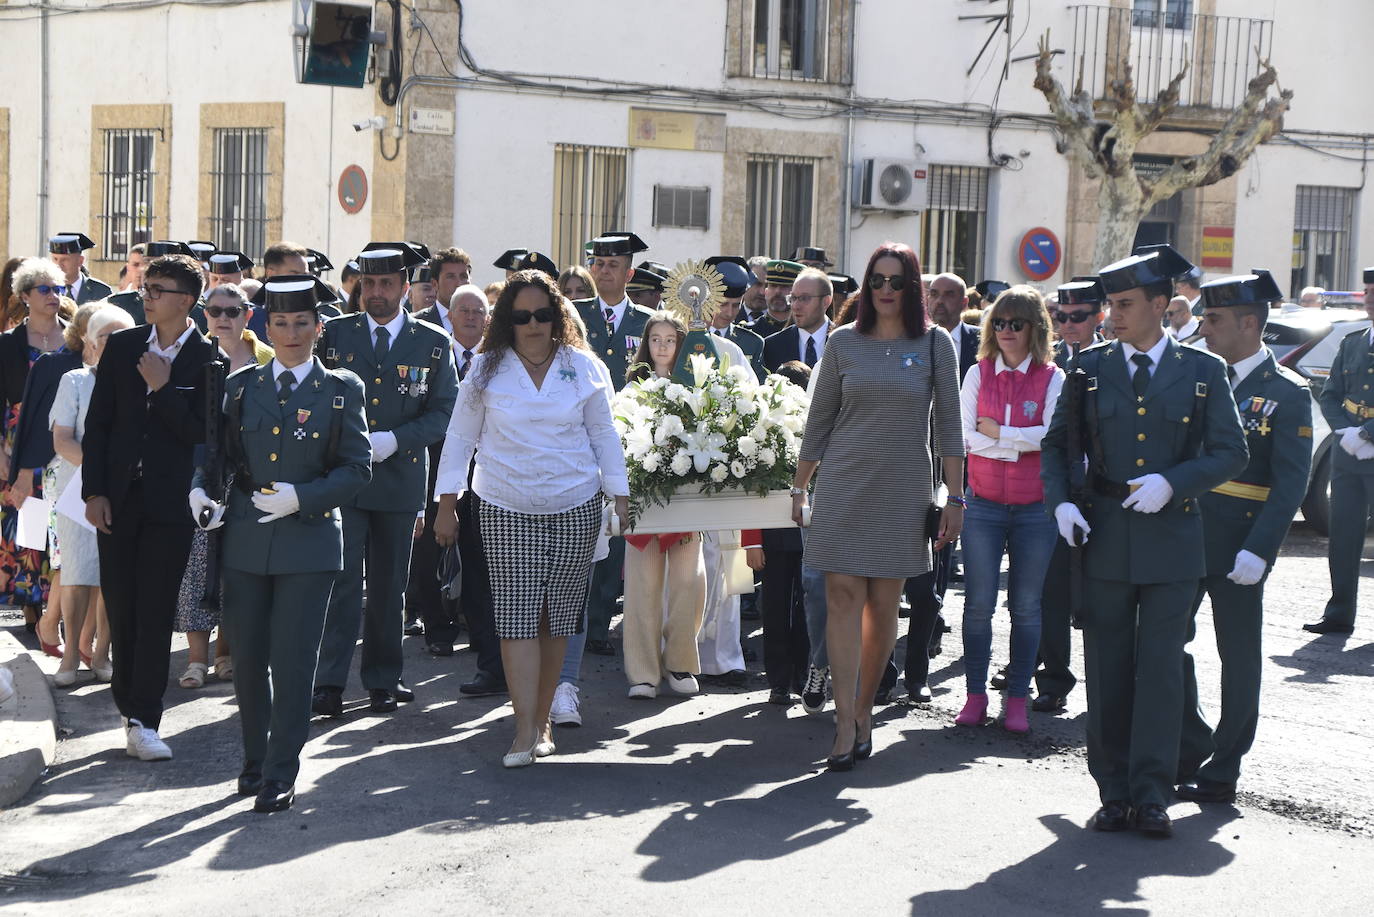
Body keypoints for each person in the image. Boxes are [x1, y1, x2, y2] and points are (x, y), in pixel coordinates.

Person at [1041, 244, 1247, 838]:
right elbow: (1059, 447)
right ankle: (1113, 788)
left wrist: (1174, 482)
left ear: (1163, 304)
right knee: (1106, 666)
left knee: (1160, 670)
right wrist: (1060, 503)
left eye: (1126, 304)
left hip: (1173, 539)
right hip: (1103, 534)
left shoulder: (1203, 372)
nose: (1112, 315)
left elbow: (1231, 451)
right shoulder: (1088, 368)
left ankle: (1153, 792)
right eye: (1110, 304)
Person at [190, 274, 371, 813]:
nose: (292, 333)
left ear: (318, 327)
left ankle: (280, 770)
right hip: (245, 536)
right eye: (282, 323)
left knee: (294, 662)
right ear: (267, 327)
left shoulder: (342, 390)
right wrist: (200, 490)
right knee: (247, 661)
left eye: (303, 323)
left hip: (308, 541)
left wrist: (304, 498)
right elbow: (215, 454)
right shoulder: (240, 387)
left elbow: (357, 469)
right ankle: (253, 758)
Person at [434, 269, 629, 767]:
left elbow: (605, 436)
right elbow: (459, 439)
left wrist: (620, 494)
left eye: (543, 314)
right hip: (504, 504)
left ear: (558, 315)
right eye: (522, 316)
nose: (534, 324)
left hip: (576, 503)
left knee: (557, 619)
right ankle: (524, 730)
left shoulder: (584, 368)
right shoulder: (484, 369)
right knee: (518, 618)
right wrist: (446, 504)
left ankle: (544, 721)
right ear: (507, 321)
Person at [792, 241, 964, 771]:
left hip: (903, 491)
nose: (886, 291)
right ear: (865, 288)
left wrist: (955, 498)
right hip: (843, 485)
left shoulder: (936, 345)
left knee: (883, 608)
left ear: (913, 289)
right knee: (841, 599)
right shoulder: (843, 342)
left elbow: (950, 430)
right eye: (877, 281)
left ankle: (865, 709)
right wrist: (799, 488)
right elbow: (819, 422)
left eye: (897, 282)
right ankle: (845, 722)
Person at [1174, 269, 1311, 805]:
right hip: (1184, 535)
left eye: (1214, 319)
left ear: (1249, 324)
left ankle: (1225, 763)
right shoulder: (1198, 378)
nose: (1203, 329)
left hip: (1238, 543)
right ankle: (1189, 742)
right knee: (1165, 644)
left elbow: (1291, 483)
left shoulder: (1287, 393)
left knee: (1239, 655)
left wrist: (1261, 548)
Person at [312, 242, 459, 716]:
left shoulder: (433, 341)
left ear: (404, 286)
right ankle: (329, 682)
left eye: (387, 284)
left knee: (390, 586)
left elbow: (444, 412)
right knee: (339, 581)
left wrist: (396, 439)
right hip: (342, 480)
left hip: (399, 480)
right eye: (368, 284)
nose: (376, 293)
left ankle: (383, 677)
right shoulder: (335, 335)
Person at [82, 253, 218, 762]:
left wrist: (163, 390)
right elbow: (99, 425)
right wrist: (94, 491)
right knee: (122, 607)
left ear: (185, 300)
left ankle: (144, 718)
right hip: (117, 499)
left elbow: (199, 435)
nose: (147, 297)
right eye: (145, 289)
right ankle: (129, 707)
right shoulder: (121, 347)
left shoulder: (208, 359)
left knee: (156, 610)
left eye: (157, 290)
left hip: (170, 504)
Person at [955, 286, 1064, 733]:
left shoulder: (1054, 377)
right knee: (978, 605)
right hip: (982, 506)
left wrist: (1000, 434)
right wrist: (1021, 440)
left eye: (1015, 323)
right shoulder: (978, 373)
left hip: (1036, 510)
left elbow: (1052, 437)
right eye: (998, 323)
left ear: (1035, 327)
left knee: (1026, 607)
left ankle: (1017, 697)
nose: (1005, 331)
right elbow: (965, 438)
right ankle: (976, 695)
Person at [174, 284, 271, 689]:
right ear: (204, 315)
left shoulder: (265, 358)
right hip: (202, 472)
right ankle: (195, 659)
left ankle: (225, 654)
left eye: (233, 311)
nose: (224, 318)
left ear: (247, 315)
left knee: (237, 567)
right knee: (198, 566)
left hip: (248, 476)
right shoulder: (193, 357)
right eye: (215, 311)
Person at [573, 232, 656, 657]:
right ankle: (572, 619)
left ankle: (600, 623)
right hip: (575, 436)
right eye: (598, 264)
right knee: (577, 526)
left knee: (615, 527)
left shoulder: (647, 322)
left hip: (628, 437)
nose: (604, 271)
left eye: (612, 265)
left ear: (630, 272)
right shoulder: (573, 315)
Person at [620, 315, 709, 699]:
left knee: (689, 582)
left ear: (681, 344)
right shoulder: (632, 388)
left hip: (689, 496)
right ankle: (642, 671)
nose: (661, 346)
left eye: (670, 339)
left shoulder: (699, 386)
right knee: (642, 586)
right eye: (654, 339)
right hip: (645, 498)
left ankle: (681, 662)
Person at [1033, 277, 1107, 713]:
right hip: (1060, 491)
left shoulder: (1109, 362)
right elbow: (1053, 440)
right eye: (1062, 316)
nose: (1069, 324)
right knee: (1052, 592)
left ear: (1099, 317)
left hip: (1102, 492)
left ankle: (1106, 683)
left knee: (1100, 595)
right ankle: (1054, 679)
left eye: (1079, 316)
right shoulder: (1052, 364)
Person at [49, 305, 133, 686]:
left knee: (114, 573)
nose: (114, 345)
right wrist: (100, 472)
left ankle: (101, 654)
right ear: (91, 343)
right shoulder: (75, 381)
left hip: (127, 490)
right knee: (78, 572)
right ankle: (69, 658)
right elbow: (62, 438)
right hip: (77, 490)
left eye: (121, 337)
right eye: (106, 337)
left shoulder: (139, 381)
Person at [1, 260, 69, 638]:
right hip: (19, 445)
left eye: (58, 289)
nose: (53, 296)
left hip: (64, 443)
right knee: (30, 526)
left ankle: (59, 606)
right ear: (24, 296)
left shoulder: (74, 339)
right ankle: (31, 604)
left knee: (63, 526)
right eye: (44, 289)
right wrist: (3, 457)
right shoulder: (8, 344)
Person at [1307, 265, 1374, 635]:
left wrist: (1367, 432)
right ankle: (1339, 612)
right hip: (1349, 453)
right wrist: (1346, 432)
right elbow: (1330, 394)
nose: (1371, 300)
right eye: (1368, 293)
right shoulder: (1353, 342)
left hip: (1368, 443)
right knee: (1344, 536)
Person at [702, 257, 767, 381]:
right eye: (723, 304)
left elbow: (758, 386)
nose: (729, 312)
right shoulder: (691, 335)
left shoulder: (753, 343)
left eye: (736, 305)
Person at [763, 267, 832, 373]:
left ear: (826, 301)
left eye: (804, 298)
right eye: (793, 298)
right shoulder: (772, 346)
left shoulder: (846, 342)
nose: (795, 306)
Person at [49, 233, 113, 305]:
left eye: (65, 259)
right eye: (55, 259)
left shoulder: (100, 291)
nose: (59, 264)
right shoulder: (46, 290)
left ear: (80, 261)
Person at [751, 260, 800, 339]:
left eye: (785, 286)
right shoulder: (750, 331)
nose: (778, 291)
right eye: (773, 286)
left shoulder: (804, 332)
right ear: (766, 291)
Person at [741, 256, 769, 324]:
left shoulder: (781, 324)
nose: (762, 292)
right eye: (757, 284)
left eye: (767, 286)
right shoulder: (729, 318)